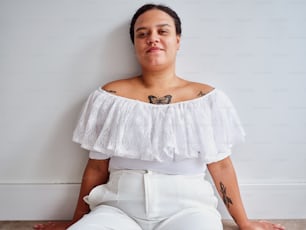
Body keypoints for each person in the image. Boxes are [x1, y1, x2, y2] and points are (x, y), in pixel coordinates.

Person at [34, 4, 285, 230]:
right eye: (142, 34)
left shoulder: (207, 98)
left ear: (178, 40)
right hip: (117, 210)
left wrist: (244, 223)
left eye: (162, 31)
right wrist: (76, 222)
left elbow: (220, 165)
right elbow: (97, 167)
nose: (152, 39)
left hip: (190, 210)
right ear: (134, 44)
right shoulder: (109, 96)